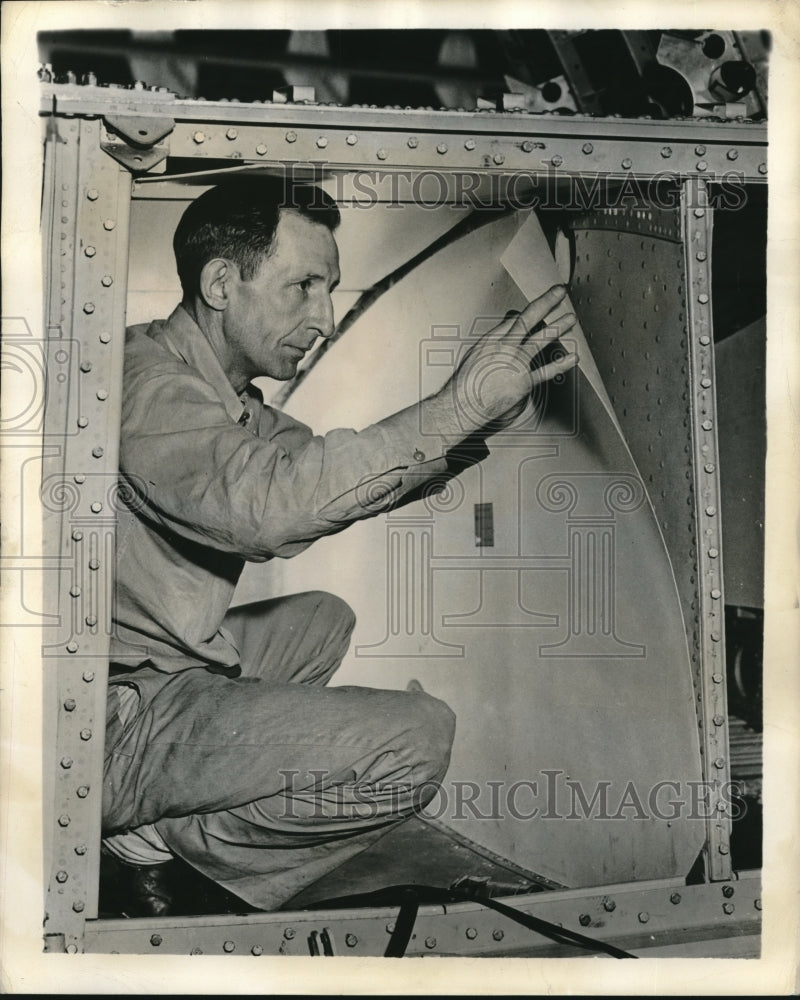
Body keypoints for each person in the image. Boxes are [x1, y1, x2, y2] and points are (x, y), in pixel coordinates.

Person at [101, 176, 578, 915]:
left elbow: (326, 472)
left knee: (324, 618)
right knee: (416, 739)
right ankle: (160, 848)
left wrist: (470, 424)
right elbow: (271, 509)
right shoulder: (147, 386)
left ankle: (200, 784)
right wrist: (452, 405)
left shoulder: (221, 395)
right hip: (110, 713)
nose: (323, 317)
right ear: (222, 283)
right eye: (304, 287)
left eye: (330, 292)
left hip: (159, 663)